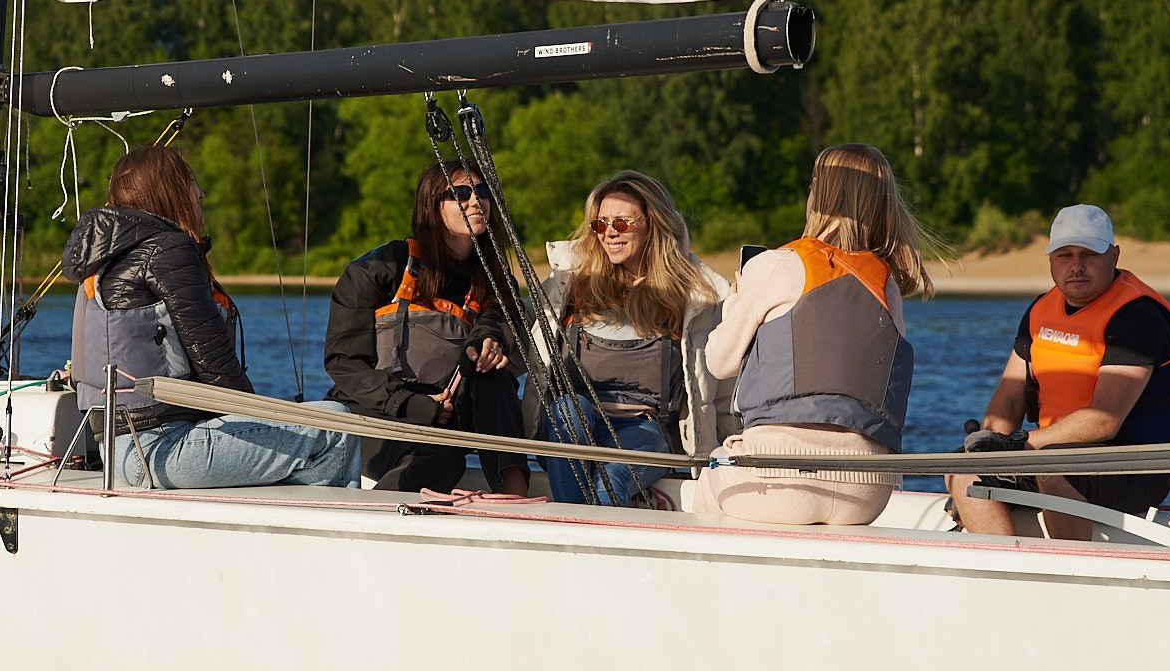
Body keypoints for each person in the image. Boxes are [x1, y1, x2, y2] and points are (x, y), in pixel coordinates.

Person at [61, 146, 359, 490]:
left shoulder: (108, 259)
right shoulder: (167, 250)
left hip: (120, 451)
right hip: (162, 448)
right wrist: (274, 418)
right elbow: (216, 366)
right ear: (168, 190)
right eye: (191, 182)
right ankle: (327, 537)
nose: (200, 193)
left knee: (300, 428)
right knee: (335, 424)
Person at [697, 144, 936, 525]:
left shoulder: (775, 265)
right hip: (866, 489)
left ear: (816, 191)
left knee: (709, 479)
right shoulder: (886, 284)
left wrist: (736, 299)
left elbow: (719, 362)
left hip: (778, 478)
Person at [945, 203, 1170, 541]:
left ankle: (1069, 570)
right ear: (1050, 260)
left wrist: (1020, 446)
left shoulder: (1137, 317)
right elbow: (1010, 395)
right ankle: (1001, 563)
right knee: (961, 471)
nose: (1076, 266)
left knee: (1051, 466)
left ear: (1114, 256)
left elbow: (1104, 420)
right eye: (1065, 255)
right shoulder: (1040, 310)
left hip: (1133, 467)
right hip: (1048, 454)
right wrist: (992, 442)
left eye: (1089, 254)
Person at [324, 161, 530, 494]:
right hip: (376, 412)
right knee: (443, 458)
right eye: (461, 193)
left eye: (482, 192)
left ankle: (514, 491)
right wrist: (409, 404)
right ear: (433, 206)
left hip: (450, 412)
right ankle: (372, 522)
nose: (476, 201)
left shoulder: (493, 277)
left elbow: (502, 317)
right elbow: (343, 363)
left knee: (493, 376)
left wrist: (489, 341)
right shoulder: (378, 269)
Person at [527, 171, 732, 506]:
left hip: (645, 430)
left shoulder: (691, 297)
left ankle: (579, 537)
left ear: (651, 224)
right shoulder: (571, 285)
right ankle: (581, 535)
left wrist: (722, 458)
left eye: (621, 223)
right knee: (568, 408)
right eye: (600, 224)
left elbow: (718, 390)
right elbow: (526, 343)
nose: (609, 233)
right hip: (578, 429)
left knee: (610, 482)